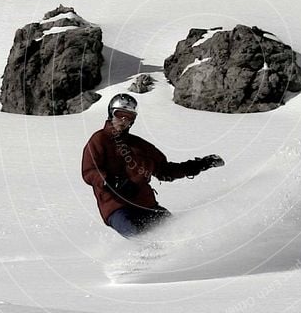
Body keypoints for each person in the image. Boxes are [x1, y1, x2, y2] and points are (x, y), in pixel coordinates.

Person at [82, 93, 225, 237]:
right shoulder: (99, 140)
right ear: (111, 114)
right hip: (117, 207)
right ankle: (144, 257)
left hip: (146, 204)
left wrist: (201, 164)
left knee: (178, 232)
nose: (124, 120)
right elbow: (89, 170)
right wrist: (112, 182)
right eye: (120, 114)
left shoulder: (140, 145)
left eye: (129, 116)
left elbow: (166, 171)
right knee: (141, 237)